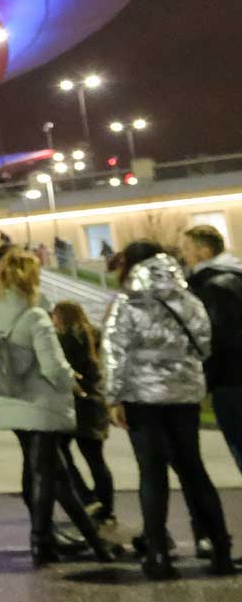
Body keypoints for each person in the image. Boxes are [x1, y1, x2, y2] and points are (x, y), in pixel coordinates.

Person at [0, 248, 118, 568]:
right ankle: (42, 539)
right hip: (41, 404)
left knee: (48, 472)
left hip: (8, 399)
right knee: (47, 473)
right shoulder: (35, 315)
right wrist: (74, 382)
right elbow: (53, 366)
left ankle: (85, 541)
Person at [102, 240, 234, 577]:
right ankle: (220, 548)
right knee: (193, 469)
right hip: (184, 396)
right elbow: (204, 344)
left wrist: (113, 398)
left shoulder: (128, 302)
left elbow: (115, 353)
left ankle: (158, 554)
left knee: (152, 473)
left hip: (142, 398)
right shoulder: (188, 299)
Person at [180, 224, 242, 473]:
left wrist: (204, 378)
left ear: (204, 251)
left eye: (187, 248)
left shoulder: (213, 286)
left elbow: (216, 338)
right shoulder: (235, 276)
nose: (183, 255)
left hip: (231, 381)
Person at [51, 301, 114, 526]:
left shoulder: (66, 338)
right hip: (96, 403)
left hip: (77, 404)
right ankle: (105, 506)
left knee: (60, 453)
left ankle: (87, 497)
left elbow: (60, 370)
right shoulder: (93, 336)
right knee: (96, 459)